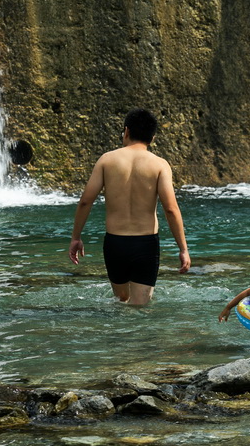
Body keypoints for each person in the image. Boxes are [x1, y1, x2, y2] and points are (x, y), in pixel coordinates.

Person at [68, 108, 190, 305]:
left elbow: (85, 201)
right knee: (139, 308)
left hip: (115, 243)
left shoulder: (107, 160)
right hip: (146, 244)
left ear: (126, 131)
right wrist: (183, 248)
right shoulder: (159, 165)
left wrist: (76, 237)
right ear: (153, 137)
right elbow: (170, 209)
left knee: (121, 301)